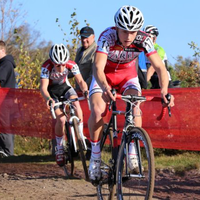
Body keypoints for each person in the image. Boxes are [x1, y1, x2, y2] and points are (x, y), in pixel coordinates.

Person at [87, 5, 175, 183]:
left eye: (133, 32)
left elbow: (160, 67)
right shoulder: (107, 36)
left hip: (127, 76)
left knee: (136, 106)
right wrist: (104, 88)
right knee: (97, 110)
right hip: (104, 77)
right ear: (117, 28)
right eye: (124, 31)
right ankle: (95, 156)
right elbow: (98, 68)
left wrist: (165, 90)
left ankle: (132, 150)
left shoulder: (144, 39)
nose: (128, 36)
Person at [40, 43, 88, 167]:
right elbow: (43, 88)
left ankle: (81, 135)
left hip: (65, 88)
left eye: (63, 64)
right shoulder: (46, 67)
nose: (61, 68)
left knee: (76, 103)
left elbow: (81, 81)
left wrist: (86, 91)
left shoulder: (71, 64)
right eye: (57, 65)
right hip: (52, 92)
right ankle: (60, 148)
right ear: (52, 62)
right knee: (61, 119)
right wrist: (49, 99)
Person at [0, 40, 16, 157]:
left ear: (2, 50)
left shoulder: (5, 64)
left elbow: (1, 79)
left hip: (5, 100)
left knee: (4, 125)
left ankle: (7, 153)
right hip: (5, 99)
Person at [69, 26, 97, 91]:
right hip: (79, 90)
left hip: (90, 91)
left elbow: (93, 76)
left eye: (86, 37)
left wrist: (83, 88)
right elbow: (73, 69)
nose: (84, 40)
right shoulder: (79, 51)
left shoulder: (97, 51)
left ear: (93, 37)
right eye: (82, 37)